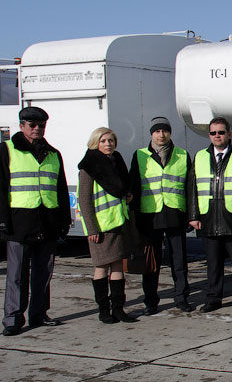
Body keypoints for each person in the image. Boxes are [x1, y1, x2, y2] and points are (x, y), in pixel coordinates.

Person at [0, 106, 72, 336]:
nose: (37, 129)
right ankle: (13, 318)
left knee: (43, 273)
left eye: (41, 125)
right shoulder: (7, 150)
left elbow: (60, 189)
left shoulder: (53, 153)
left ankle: (39, 314)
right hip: (19, 222)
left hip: (48, 222)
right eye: (32, 125)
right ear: (22, 126)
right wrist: (3, 220)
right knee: (17, 275)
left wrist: (64, 220)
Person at [187, 117, 232, 313]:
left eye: (221, 132)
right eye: (213, 133)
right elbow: (192, 188)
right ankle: (213, 299)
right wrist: (193, 215)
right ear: (209, 135)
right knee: (213, 264)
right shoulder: (200, 156)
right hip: (209, 218)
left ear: (229, 134)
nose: (217, 136)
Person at [129, 116, 193, 314]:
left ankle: (181, 298)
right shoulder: (140, 155)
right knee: (151, 262)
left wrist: (191, 215)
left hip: (175, 213)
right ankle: (151, 301)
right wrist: (135, 218)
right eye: (157, 131)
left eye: (165, 131)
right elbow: (134, 187)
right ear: (152, 134)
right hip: (150, 216)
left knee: (179, 261)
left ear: (170, 133)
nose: (161, 135)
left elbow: (189, 187)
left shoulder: (182, 155)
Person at [78, 128, 138, 324]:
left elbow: (122, 189)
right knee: (101, 267)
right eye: (103, 141)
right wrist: (91, 228)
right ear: (95, 142)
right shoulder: (89, 166)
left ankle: (118, 309)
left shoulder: (116, 161)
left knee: (118, 266)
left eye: (111, 140)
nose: (108, 144)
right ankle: (104, 310)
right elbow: (84, 200)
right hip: (101, 227)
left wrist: (127, 196)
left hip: (118, 222)